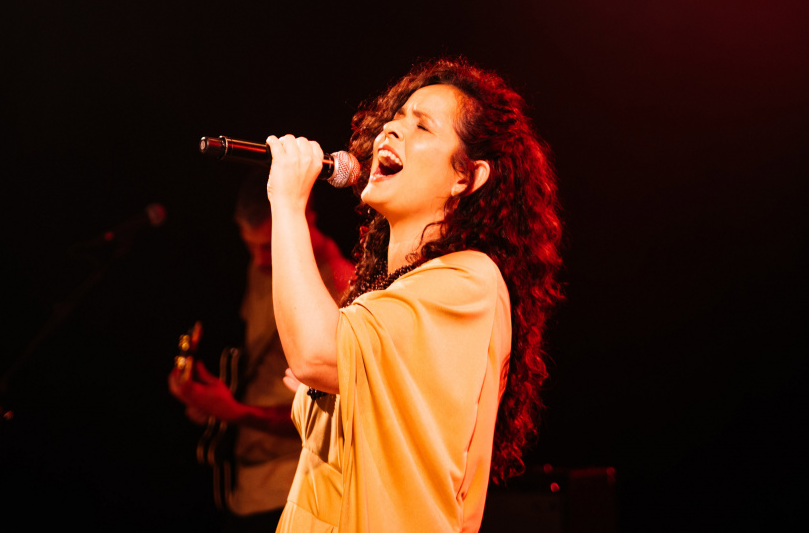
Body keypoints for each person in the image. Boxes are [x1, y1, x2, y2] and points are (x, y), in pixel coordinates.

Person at [265, 57, 564, 531]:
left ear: (467, 176)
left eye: (421, 126)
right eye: (396, 117)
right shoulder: (393, 288)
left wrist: (286, 202)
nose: (391, 129)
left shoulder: (470, 282)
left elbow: (316, 352)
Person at [168, 171, 355, 532]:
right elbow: (261, 366)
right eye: (249, 245)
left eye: (268, 246)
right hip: (245, 486)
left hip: (298, 487)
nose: (258, 259)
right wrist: (210, 398)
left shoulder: (343, 288)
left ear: (304, 216)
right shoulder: (262, 267)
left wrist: (235, 412)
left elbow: (338, 414)